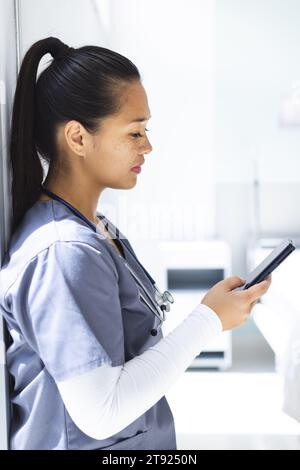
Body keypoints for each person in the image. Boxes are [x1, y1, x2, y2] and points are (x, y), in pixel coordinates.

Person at [0, 37, 272, 450]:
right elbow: (101, 410)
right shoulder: (64, 251)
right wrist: (208, 321)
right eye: (135, 132)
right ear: (77, 138)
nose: (148, 146)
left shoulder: (94, 227)